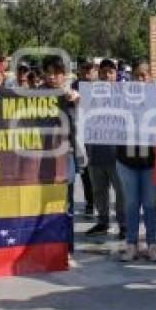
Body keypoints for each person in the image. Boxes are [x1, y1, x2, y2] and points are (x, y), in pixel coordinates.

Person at [116, 61, 156, 263]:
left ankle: (152, 244)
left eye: (145, 75)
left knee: (150, 205)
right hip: (126, 161)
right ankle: (131, 244)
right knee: (132, 204)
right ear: (131, 78)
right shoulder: (120, 99)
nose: (141, 79)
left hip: (152, 162)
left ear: (151, 79)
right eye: (137, 75)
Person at [42, 56, 84, 254]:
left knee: (66, 203)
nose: (53, 77)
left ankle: (67, 246)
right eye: (49, 72)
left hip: (65, 156)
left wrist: (76, 102)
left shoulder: (72, 95)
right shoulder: (35, 94)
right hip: (40, 158)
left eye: (57, 73)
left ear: (65, 75)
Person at [85, 58, 127, 239]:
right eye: (104, 72)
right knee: (99, 190)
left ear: (116, 74)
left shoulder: (126, 94)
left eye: (111, 72)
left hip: (118, 154)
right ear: (99, 74)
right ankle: (102, 222)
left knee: (121, 192)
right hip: (96, 152)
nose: (107, 75)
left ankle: (124, 224)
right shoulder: (90, 93)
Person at [73, 60, 97, 216]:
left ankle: (101, 204)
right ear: (79, 71)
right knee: (86, 172)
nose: (88, 72)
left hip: (100, 136)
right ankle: (90, 202)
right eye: (85, 69)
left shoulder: (102, 87)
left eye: (90, 69)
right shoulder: (73, 88)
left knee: (101, 172)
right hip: (81, 136)